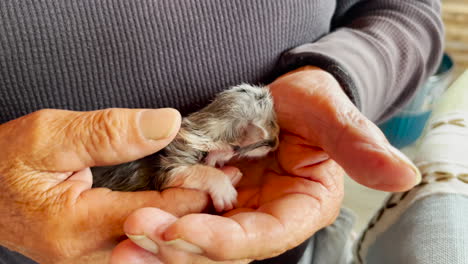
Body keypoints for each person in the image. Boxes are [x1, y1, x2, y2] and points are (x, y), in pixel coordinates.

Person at [0, 0, 444, 263]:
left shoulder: (224, 141)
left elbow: (405, 10)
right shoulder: (190, 141)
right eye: (263, 136)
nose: (271, 143)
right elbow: (175, 169)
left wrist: (343, 80)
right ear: (238, 132)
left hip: (282, 244)